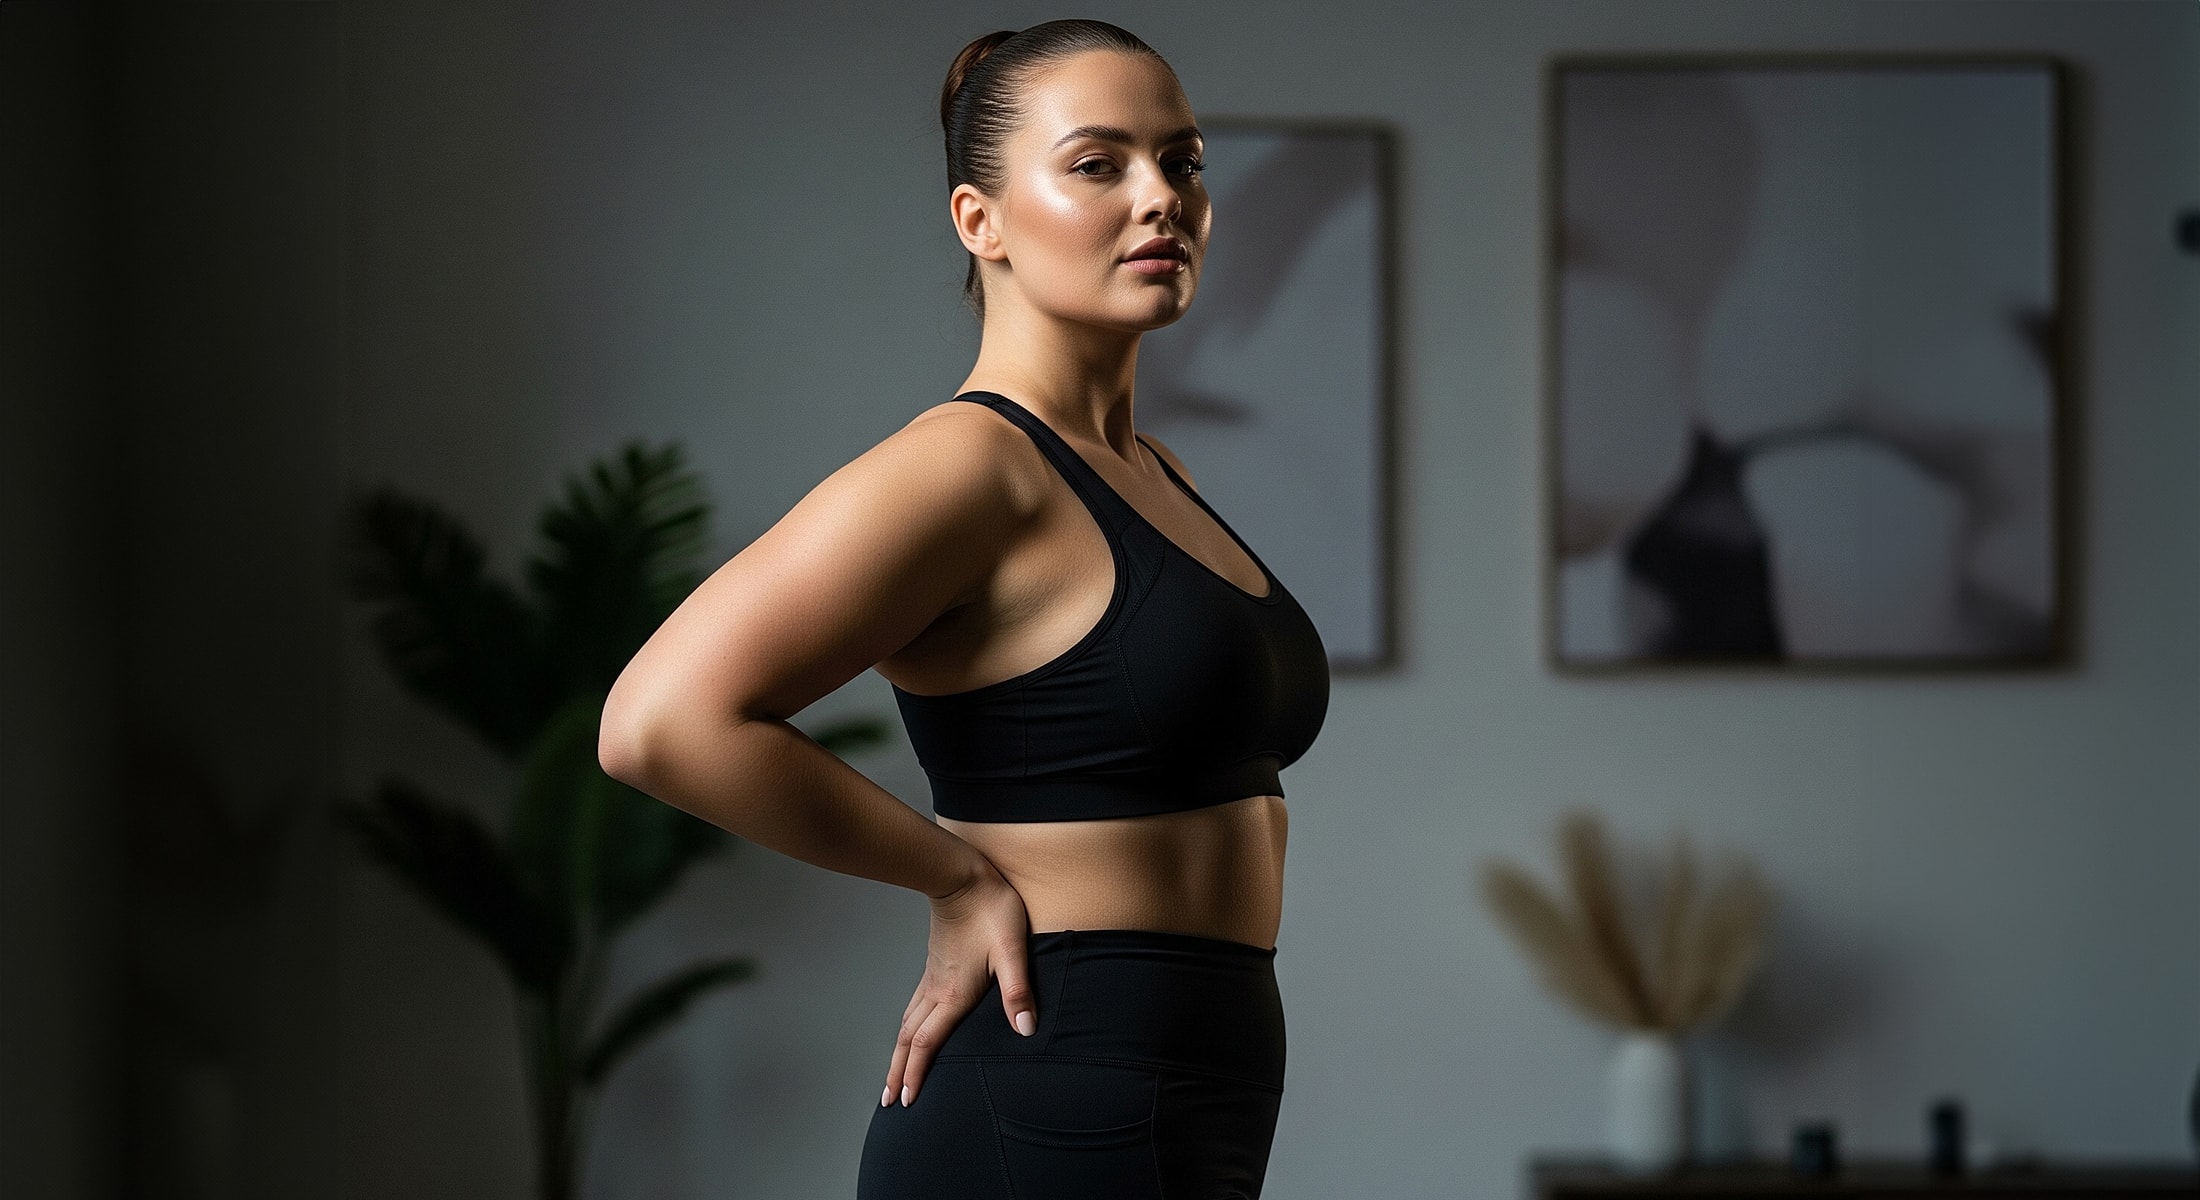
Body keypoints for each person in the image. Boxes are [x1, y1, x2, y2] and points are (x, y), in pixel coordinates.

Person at [599, 19, 1330, 1199]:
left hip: (1200, 1090)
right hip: (1051, 1101)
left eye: (1182, 162)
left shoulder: (1159, 472)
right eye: (1098, 165)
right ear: (977, 219)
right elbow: (656, 722)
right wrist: (951, 878)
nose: (1160, 198)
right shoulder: (966, 467)